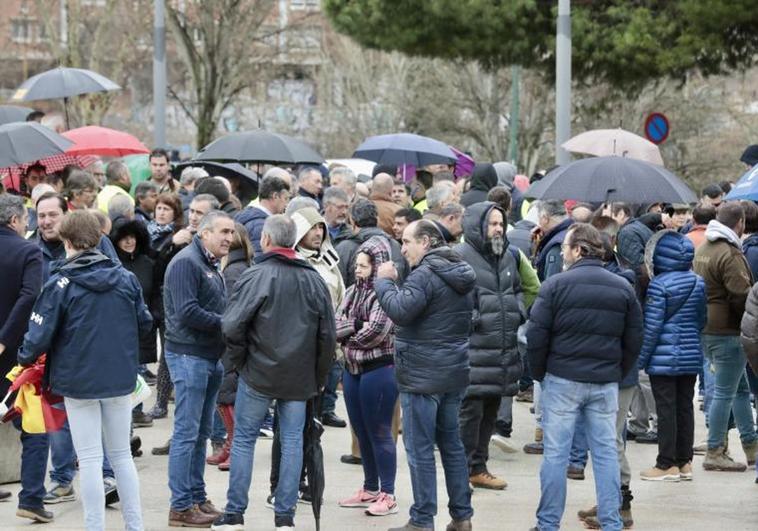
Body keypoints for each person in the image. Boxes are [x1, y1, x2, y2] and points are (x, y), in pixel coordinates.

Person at [19, 210, 152, 531]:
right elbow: (145, 324)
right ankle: (135, 526)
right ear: (98, 238)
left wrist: (24, 358)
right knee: (121, 456)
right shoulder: (125, 277)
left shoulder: (59, 283)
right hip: (120, 378)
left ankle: (95, 527)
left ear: (67, 241)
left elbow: (38, 336)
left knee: (91, 459)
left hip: (77, 380)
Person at [212, 215, 336, 531]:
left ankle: (236, 513)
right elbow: (328, 336)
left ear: (266, 239)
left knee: (244, 439)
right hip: (297, 375)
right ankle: (284, 517)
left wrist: (241, 362)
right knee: (292, 440)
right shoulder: (313, 279)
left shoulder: (257, 275)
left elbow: (231, 325)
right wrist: (319, 377)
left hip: (258, 373)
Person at [527, 223, 643, 531]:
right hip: (604, 381)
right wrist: (616, 371)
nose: (563, 252)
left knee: (556, 455)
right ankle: (611, 521)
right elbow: (634, 339)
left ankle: (548, 524)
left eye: (565, 247)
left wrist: (539, 374)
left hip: (563, 378)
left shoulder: (555, 285)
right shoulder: (622, 287)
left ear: (579, 250)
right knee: (605, 453)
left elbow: (536, 336)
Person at [375, 220, 476, 531]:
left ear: (427, 242)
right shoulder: (459, 270)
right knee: (451, 445)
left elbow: (401, 311)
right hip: (452, 371)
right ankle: (462, 517)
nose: (403, 249)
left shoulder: (424, 275)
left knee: (420, 450)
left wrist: (384, 282)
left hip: (422, 374)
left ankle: (422, 519)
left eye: (407, 242)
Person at [163, 210, 235, 527]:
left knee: (201, 434)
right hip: (189, 357)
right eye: (223, 231)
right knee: (186, 434)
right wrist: (228, 324)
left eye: (231, 233)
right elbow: (187, 311)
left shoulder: (209, 264)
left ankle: (195, 496)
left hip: (208, 357)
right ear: (204, 233)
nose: (229, 239)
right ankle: (180, 506)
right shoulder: (186, 263)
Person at [455, 202, 524, 491]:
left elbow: (519, 290)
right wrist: (474, 317)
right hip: (475, 350)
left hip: (503, 350)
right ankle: (462, 470)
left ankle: (479, 468)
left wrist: (518, 311)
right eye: (492, 223)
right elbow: (453, 299)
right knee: (471, 413)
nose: (498, 229)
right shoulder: (460, 256)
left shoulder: (507, 256)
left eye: (501, 223)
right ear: (477, 225)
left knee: (491, 411)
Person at [336, 237, 399, 517]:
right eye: (356, 265)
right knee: (361, 431)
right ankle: (370, 488)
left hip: (380, 370)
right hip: (352, 370)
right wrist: (353, 328)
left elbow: (376, 332)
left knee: (380, 431)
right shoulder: (351, 291)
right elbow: (336, 324)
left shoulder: (386, 292)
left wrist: (350, 333)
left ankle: (388, 493)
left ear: (377, 267)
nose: (357, 270)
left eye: (363, 266)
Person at [637, 229, 707, 482]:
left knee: (666, 409)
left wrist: (641, 359)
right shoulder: (698, 282)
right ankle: (684, 462)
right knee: (684, 407)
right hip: (690, 354)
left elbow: (652, 328)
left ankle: (666, 463)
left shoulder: (658, 285)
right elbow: (702, 320)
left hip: (663, 358)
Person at [693, 202, 758, 471]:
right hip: (728, 330)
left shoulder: (705, 248)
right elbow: (742, 295)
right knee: (723, 392)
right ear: (740, 222)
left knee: (739, 390)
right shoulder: (729, 253)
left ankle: (751, 446)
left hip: (708, 328)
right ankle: (715, 449)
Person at [0, 194, 44, 518]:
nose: (28, 224)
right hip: (17, 352)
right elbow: (30, 295)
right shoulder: (29, 250)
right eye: (26, 219)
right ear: (14, 220)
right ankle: (30, 500)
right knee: (32, 424)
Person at [291, 206, 347, 427]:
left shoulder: (329, 261)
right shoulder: (292, 260)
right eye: (311, 228)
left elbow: (341, 295)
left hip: (329, 342)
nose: (317, 233)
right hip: (301, 346)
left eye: (320, 228)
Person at [207, 223, 253, 471]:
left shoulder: (234, 270)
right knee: (225, 396)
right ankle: (229, 445)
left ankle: (234, 446)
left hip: (232, 343)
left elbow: (233, 311)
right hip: (234, 341)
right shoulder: (237, 266)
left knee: (227, 397)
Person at [146, 193, 191, 421]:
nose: (161, 212)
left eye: (167, 208)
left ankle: (161, 402)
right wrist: (169, 243)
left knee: (168, 352)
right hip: (149, 297)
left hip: (168, 297)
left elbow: (164, 265)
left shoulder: (181, 236)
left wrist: (172, 243)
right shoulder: (147, 232)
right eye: (159, 208)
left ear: (176, 213)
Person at [110, 217, 160, 416]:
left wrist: (155, 315)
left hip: (143, 324)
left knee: (139, 368)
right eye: (124, 238)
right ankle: (130, 413)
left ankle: (136, 411)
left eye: (132, 237)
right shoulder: (113, 264)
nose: (129, 241)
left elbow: (156, 291)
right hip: (119, 326)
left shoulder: (148, 263)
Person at [336, 199, 408, 288]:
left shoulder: (344, 248)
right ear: (377, 219)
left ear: (352, 221)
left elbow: (338, 286)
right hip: (393, 299)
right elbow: (406, 280)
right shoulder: (395, 245)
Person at [236, 174, 291, 255]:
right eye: (285, 198)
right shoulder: (261, 225)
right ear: (275, 196)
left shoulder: (250, 215)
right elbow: (259, 259)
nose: (287, 204)